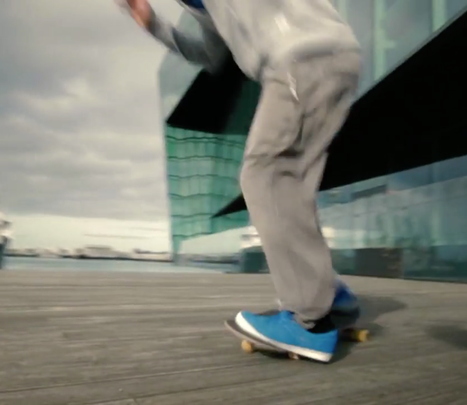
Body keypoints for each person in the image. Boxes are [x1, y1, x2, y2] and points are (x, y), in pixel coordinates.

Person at [121, 0, 361, 363]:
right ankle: (329, 295)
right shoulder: (202, 6)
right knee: (291, 184)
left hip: (302, 57)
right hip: (336, 58)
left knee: (262, 173)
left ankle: (309, 321)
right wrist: (154, 23)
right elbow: (211, 54)